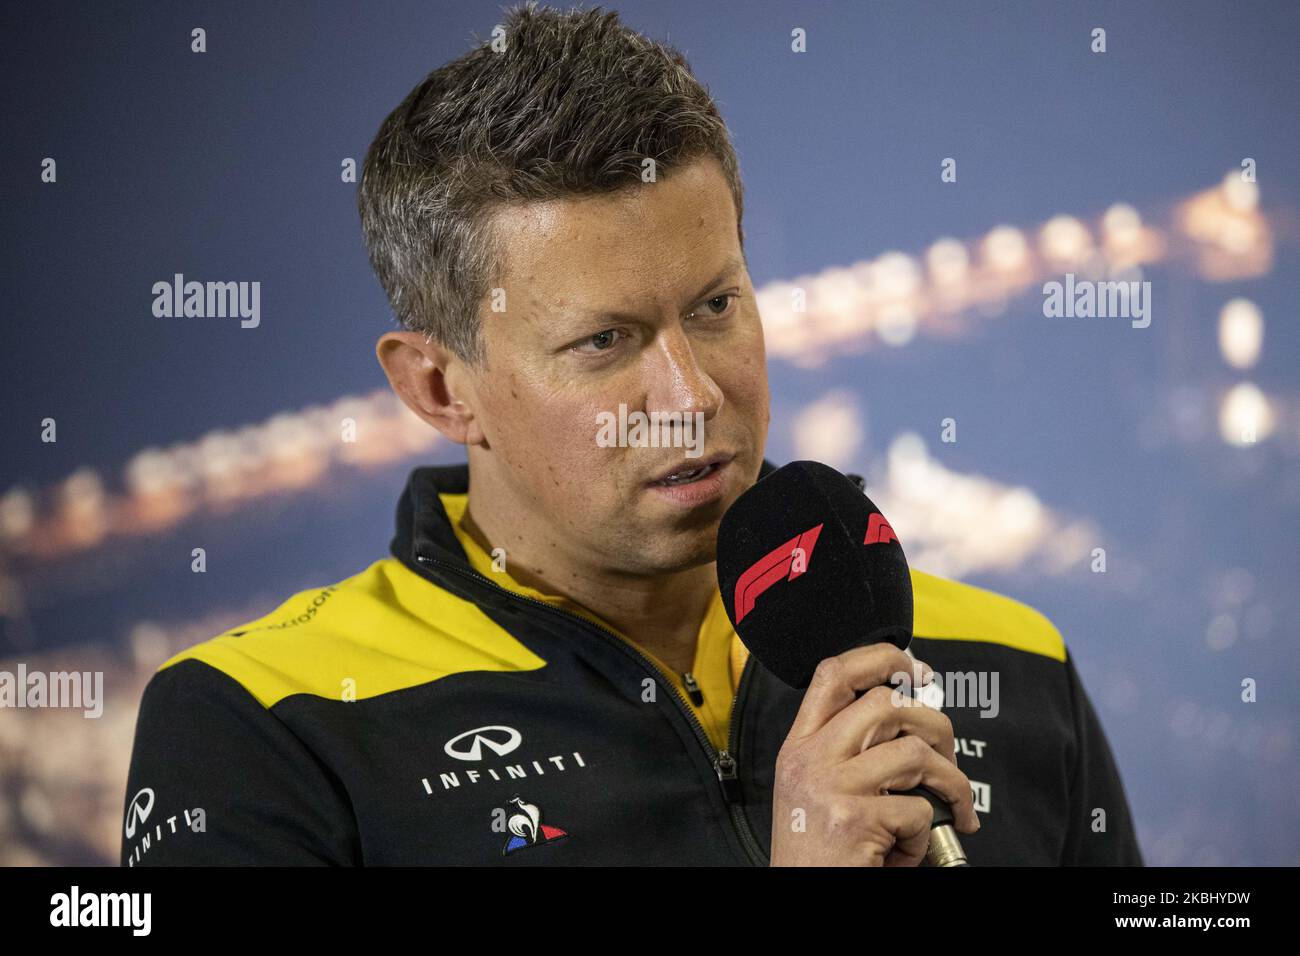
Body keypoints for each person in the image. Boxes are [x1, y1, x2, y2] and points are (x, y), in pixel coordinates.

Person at [120, 2, 1141, 866]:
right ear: (439, 387)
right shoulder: (260, 722)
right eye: (605, 340)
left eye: (714, 306)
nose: (690, 393)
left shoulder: (1009, 657)